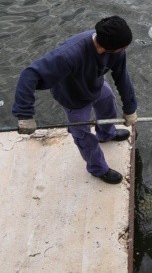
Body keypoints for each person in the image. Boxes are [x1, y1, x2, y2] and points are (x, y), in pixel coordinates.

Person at [11, 16, 139, 185]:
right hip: (73, 97)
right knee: (82, 135)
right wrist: (24, 114)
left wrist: (130, 108)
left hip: (96, 84)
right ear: (105, 47)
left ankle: (107, 134)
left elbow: (122, 77)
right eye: (122, 48)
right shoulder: (68, 55)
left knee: (108, 101)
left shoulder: (117, 50)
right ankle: (98, 168)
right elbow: (29, 74)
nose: (125, 50)